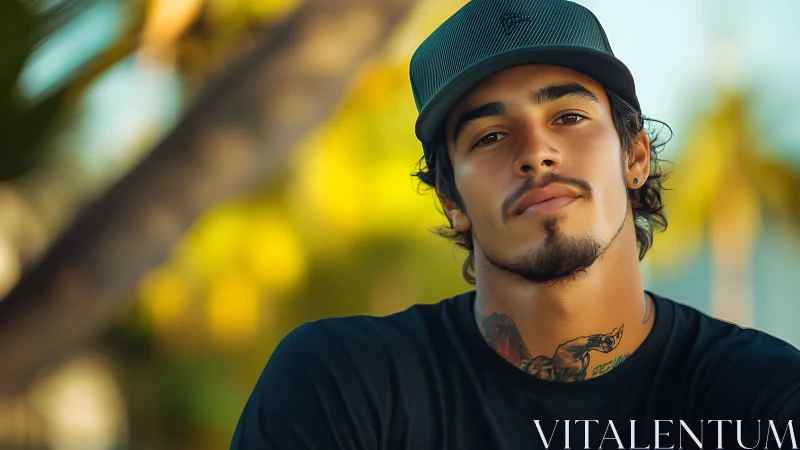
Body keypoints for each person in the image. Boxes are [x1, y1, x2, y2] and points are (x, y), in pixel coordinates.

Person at [231, 0, 800, 448]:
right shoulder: (343, 385)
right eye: (491, 137)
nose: (536, 152)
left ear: (634, 156)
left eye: (569, 116)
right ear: (451, 199)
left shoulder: (766, 398)